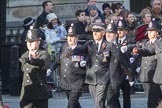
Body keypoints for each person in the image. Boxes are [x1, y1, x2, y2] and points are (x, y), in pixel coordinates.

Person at [74, 23, 112, 108]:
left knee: (99, 100)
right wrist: (81, 60)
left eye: (97, 32)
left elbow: (113, 61)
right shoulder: (89, 44)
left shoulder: (108, 45)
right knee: (97, 103)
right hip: (91, 77)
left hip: (104, 77)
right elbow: (77, 52)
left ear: (103, 33)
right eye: (93, 32)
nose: (94, 34)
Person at [19, 29, 52, 108]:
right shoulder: (24, 55)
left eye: (32, 41)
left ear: (38, 42)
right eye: (28, 41)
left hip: (40, 92)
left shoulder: (44, 54)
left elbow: (42, 62)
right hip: (27, 94)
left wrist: (30, 60)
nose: (29, 44)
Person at [59, 23, 87, 108]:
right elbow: (60, 61)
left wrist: (83, 63)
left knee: (71, 104)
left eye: (72, 37)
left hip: (77, 81)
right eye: (69, 37)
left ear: (77, 38)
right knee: (74, 103)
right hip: (66, 80)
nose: (70, 39)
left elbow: (86, 62)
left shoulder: (81, 48)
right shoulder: (64, 47)